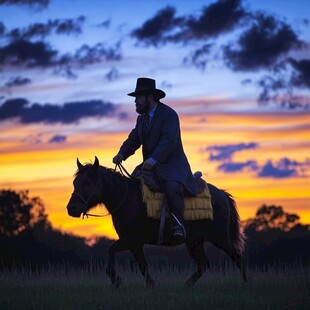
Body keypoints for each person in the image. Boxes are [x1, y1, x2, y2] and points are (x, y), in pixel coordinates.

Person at [113, 77, 196, 244]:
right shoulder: (142, 119)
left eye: (138, 97)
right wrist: (122, 154)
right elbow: (134, 139)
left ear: (149, 97)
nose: (135, 101)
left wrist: (154, 159)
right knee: (132, 185)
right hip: (151, 165)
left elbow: (169, 141)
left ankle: (178, 225)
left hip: (172, 166)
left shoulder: (169, 115)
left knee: (172, 187)